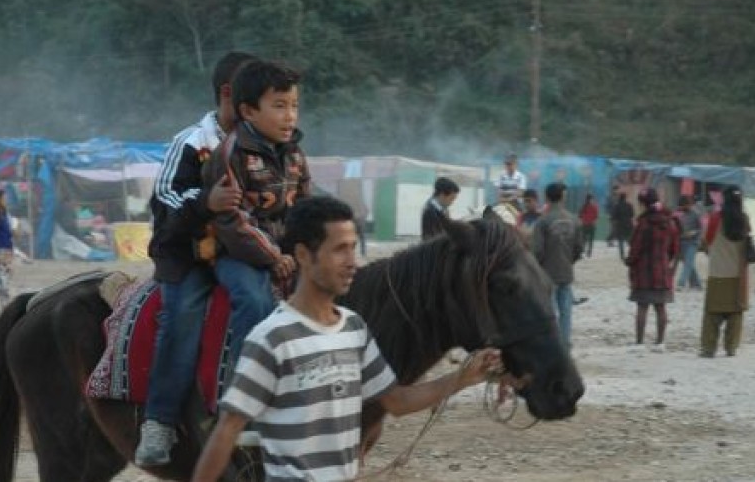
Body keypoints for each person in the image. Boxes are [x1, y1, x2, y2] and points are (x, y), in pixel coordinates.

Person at [191, 196, 502, 482]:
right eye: (340, 249)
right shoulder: (272, 338)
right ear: (303, 255)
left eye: (353, 247)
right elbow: (227, 431)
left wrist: (462, 378)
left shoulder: (353, 328)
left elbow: (396, 401)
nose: (352, 261)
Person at [137, 51, 253, 467]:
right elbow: (165, 200)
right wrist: (207, 201)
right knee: (182, 314)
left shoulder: (262, 145)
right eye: (255, 97)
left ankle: (250, 400)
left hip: (243, 250)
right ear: (229, 94)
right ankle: (160, 419)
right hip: (188, 252)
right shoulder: (190, 142)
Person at [202, 58, 311, 366]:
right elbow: (232, 219)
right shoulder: (230, 154)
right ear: (248, 111)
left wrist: (299, 249)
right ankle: (244, 383)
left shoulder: (295, 154)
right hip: (237, 253)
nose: (290, 116)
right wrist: (273, 257)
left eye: (294, 106)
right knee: (254, 302)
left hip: (286, 250)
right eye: (279, 106)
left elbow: (305, 208)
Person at [625, 188, 679, 351]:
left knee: (642, 306)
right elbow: (674, 249)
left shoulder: (643, 224)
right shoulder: (669, 222)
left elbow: (636, 248)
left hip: (644, 272)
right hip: (662, 270)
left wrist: (629, 262)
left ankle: (640, 342)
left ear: (643, 204)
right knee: (660, 307)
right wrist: (666, 261)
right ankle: (660, 342)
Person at [700, 185, 751, 358]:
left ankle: (709, 348)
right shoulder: (744, 220)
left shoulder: (715, 219)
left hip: (717, 273)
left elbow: (706, 242)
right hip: (738, 275)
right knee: (735, 313)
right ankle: (731, 347)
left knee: (712, 313)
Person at [530, 182, 583, 348]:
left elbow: (537, 251)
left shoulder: (542, 222)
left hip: (547, 275)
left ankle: (552, 344)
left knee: (550, 313)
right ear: (563, 197)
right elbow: (578, 249)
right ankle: (565, 342)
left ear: (546, 197)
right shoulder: (574, 220)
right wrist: (568, 261)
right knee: (566, 312)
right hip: (566, 273)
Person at [675, 195, 703, 290]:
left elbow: (701, 229)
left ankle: (681, 283)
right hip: (682, 242)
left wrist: (694, 233)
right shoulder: (678, 214)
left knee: (688, 263)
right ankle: (696, 284)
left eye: (684, 205)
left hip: (693, 242)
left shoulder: (696, 214)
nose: (682, 208)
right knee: (689, 263)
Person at [611, 190, 635, 261]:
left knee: (620, 241)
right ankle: (632, 253)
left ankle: (622, 255)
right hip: (628, 225)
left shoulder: (616, 206)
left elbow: (614, 217)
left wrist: (614, 226)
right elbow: (632, 216)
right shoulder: (629, 205)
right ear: (625, 198)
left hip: (620, 225)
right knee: (630, 240)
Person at [578, 193, 599, 258]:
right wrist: (594, 222)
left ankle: (583, 250)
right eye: (592, 199)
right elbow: (596, 216)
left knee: (584, 239)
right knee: (590, 240)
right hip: (591, 225)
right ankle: (589, 252)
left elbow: (580, 216)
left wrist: (582, 221)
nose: (593, 200)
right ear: (591, 199)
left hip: (585, 224)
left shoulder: (583, 206)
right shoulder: (594, 207)